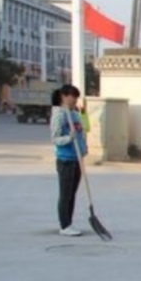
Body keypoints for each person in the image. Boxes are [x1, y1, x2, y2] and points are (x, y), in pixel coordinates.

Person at [49, 84, 88, 237]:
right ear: (64, 96)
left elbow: (81, 131)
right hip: (65, 160)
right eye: (73, 96)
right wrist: (68, 138)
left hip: (76, 158)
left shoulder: (74, 113)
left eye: (76, 97)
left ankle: (69, 223)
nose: (75, 100)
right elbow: (55, 138)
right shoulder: (59, 114)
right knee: (65, 194)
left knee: (72, 193)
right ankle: (64, 225)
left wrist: (84, 147)